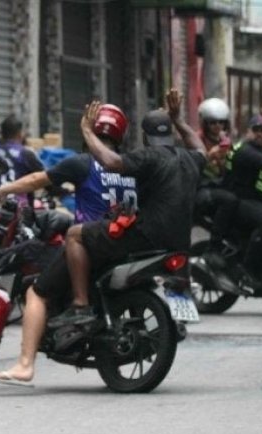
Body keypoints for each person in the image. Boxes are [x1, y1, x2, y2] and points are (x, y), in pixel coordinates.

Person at [0, 105, 136, 386]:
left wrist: (3, 190)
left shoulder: (83, 163)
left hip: (88, 247)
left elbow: (36, 180)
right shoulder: (128, 165)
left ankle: (25, 364)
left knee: (37, 292)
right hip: (121, 245)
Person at [51, 90, 206, 327]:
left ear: (145, 137)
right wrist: (179, 120)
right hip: (179, 243)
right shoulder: (190, 159)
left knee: (75, 235)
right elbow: (201, 149)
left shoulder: (148, 156)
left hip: (146, 237)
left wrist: (86, 131)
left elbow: (111, 161)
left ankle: (80, 305)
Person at [221, 114, 262, 290]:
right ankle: (248, 271)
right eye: (256, 130)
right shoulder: (245, 151)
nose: (260, 134)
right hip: (240, 201)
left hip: (255, 199)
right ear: (248, 132)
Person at [194, 98, 244, 263]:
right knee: (229, 200)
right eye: (212, 122)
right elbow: (192, 164)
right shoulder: (196, 140)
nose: (217, 126)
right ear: (205, 123)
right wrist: (209, 156)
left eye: (221, 123)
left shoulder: (226, 142)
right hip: (200, 188)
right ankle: (213, 247)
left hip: (218, 185)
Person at [0, 114, 45, 208]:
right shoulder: (25, 154)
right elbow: (45, 179)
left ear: (2, 133)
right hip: (18, 213)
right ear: (20, 133)